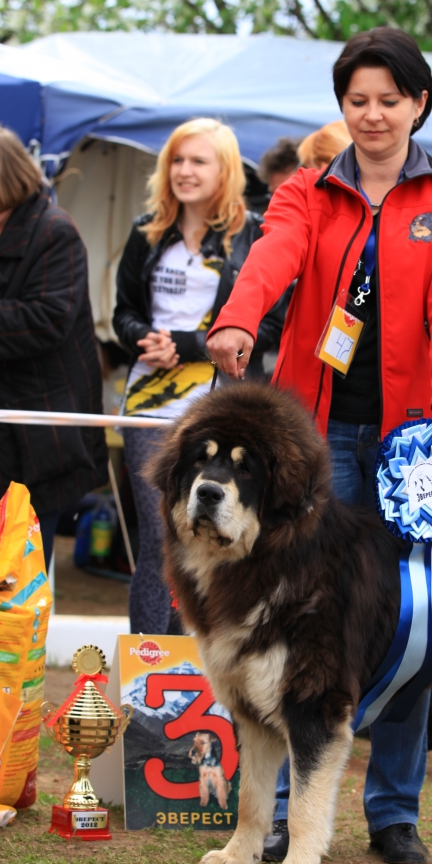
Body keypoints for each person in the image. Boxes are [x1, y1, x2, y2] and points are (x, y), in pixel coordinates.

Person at [206, 27, 432, 864]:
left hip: (413, 443)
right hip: (316, 437)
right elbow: (271, 260)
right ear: (343, 107)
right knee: (302, 619)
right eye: (357, 101)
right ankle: (289, 815)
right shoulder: (307, 191)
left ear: (419, 104)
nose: (372, 115)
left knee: (406, 619)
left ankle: (394, 810)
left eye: (388, 100)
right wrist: (237, 318)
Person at [113, 118, 286, 634]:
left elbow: (272, 321)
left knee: (214, 541)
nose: (185, 171)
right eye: (178, 161)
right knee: (159, 538)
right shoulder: (148, 230)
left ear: (225, 169)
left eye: (198, 161)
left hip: (221, 411)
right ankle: (147, 680)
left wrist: (190, 344)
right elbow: (122, 311)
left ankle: (200, 679)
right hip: (148, 404)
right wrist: (142, 335)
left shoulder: (255, 234)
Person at [0, 121, 107, 569]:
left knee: (12, 580)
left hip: (30, 441)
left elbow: (47, 319)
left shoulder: (52, 232)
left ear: (9, 185)